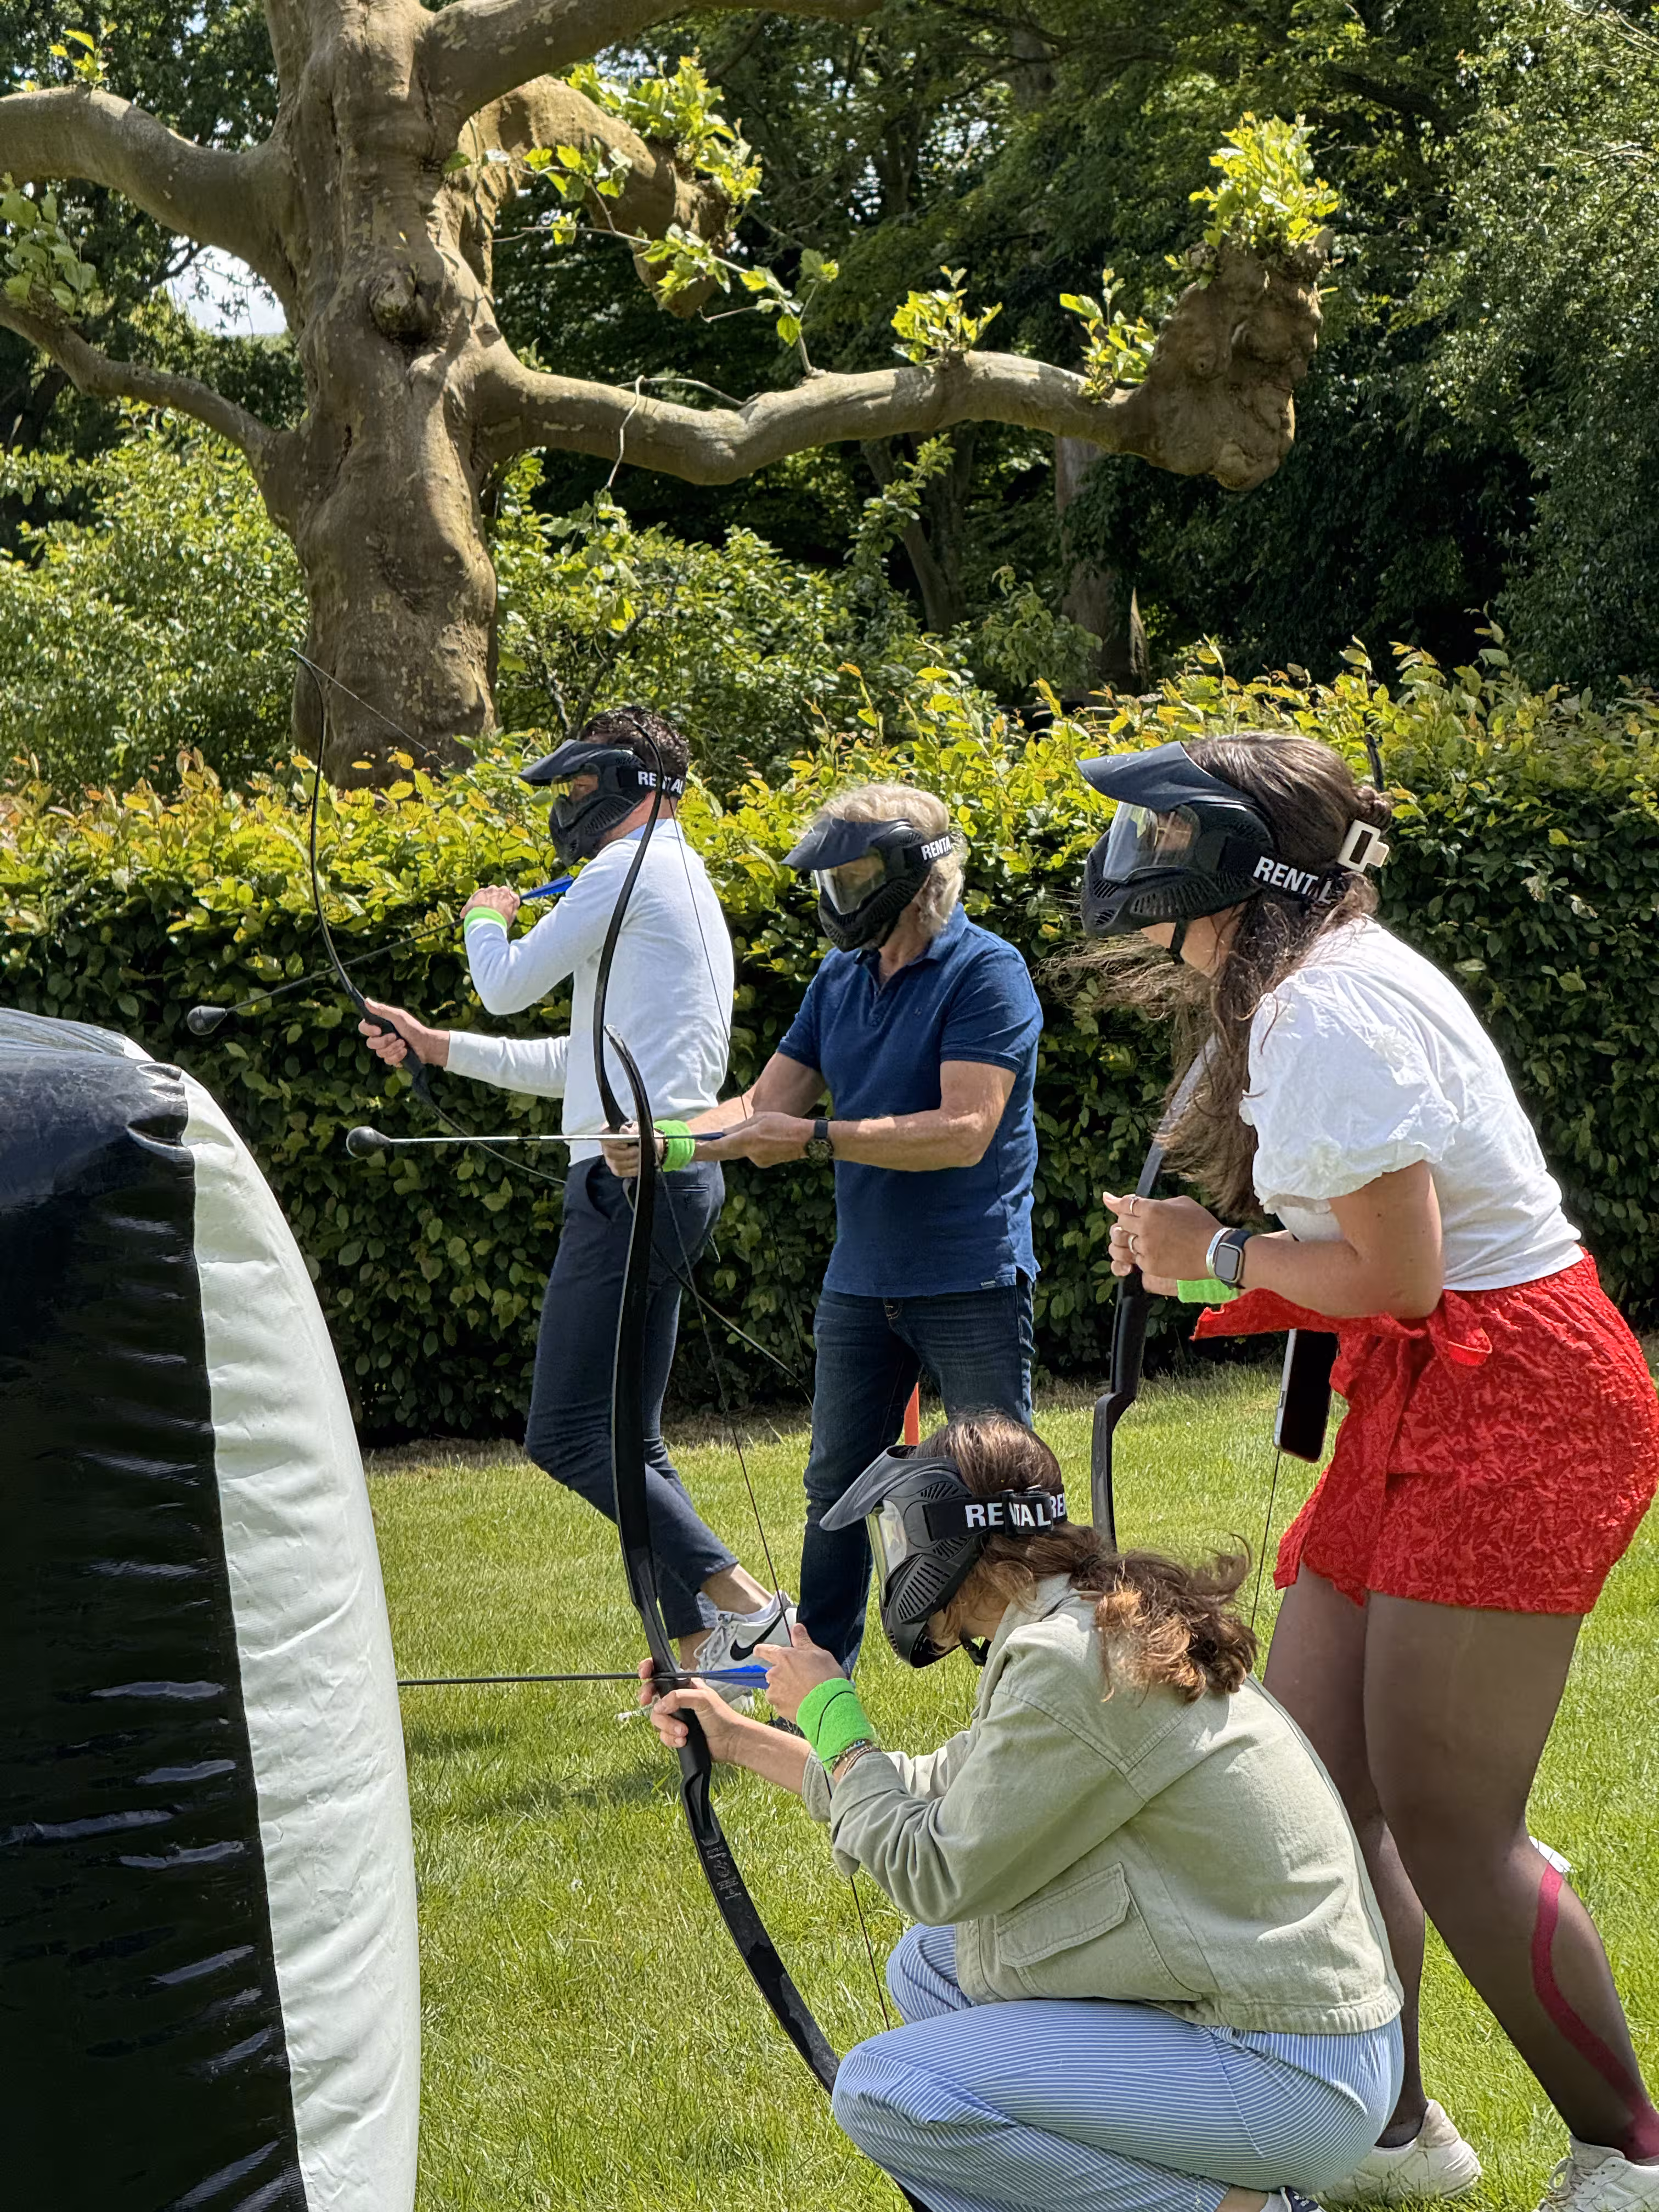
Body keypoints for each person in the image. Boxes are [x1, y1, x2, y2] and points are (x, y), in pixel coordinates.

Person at [1079, 731, 1659, 2212]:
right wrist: (1225, 1252)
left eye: (1165, 848)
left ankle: (1631, 2159)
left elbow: (1400, 1276)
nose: (1139, 878)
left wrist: (1204, 1254)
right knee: (1316, 1788)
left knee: (1454, 1819)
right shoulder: (1302, 988)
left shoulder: (1325, 1010)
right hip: (1438, 1381)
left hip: (1521, 1394)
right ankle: (1394, 2133)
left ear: (1238, 865)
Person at [647, 1414, 1404, 2212]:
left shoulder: (1066, 1661)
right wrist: (737, 1741)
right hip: (1302, 2041)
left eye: (900, 1535)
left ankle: (1243, 2209)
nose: (895, 1562)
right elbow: (937, 1791)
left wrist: (835, 1715)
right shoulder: (1075, 1624)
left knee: (884, 2087)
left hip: (1294, 2072)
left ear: (949, 1540)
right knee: (932, 1965)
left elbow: (934, 1872)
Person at [359, 706, 791, 1683]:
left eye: (575, 787)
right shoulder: (675, 880)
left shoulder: (625, 871)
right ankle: (707, 1662)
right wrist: (438, 1047)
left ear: (625, 786)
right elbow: (576, 1059)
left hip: (632, 1184)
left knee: (562, 1433)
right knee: (630, 1440)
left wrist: (486, 915)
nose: (564, 807)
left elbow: (506, 984)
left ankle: (758, 1616)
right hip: (671, 1177)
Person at [686, 782, 1043, 1668]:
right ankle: (820, 1693)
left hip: (970, 1276)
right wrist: (659, 1140)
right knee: (833, 1496)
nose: (836, 899)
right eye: (830, 881)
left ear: (910, 876)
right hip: (863, 1284)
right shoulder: (839, 978)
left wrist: (812, 1138)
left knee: (997, 1497)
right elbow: (762, 1106)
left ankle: (1034, 1683)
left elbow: (965, 1132)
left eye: (852, 878)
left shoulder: (986, 972)